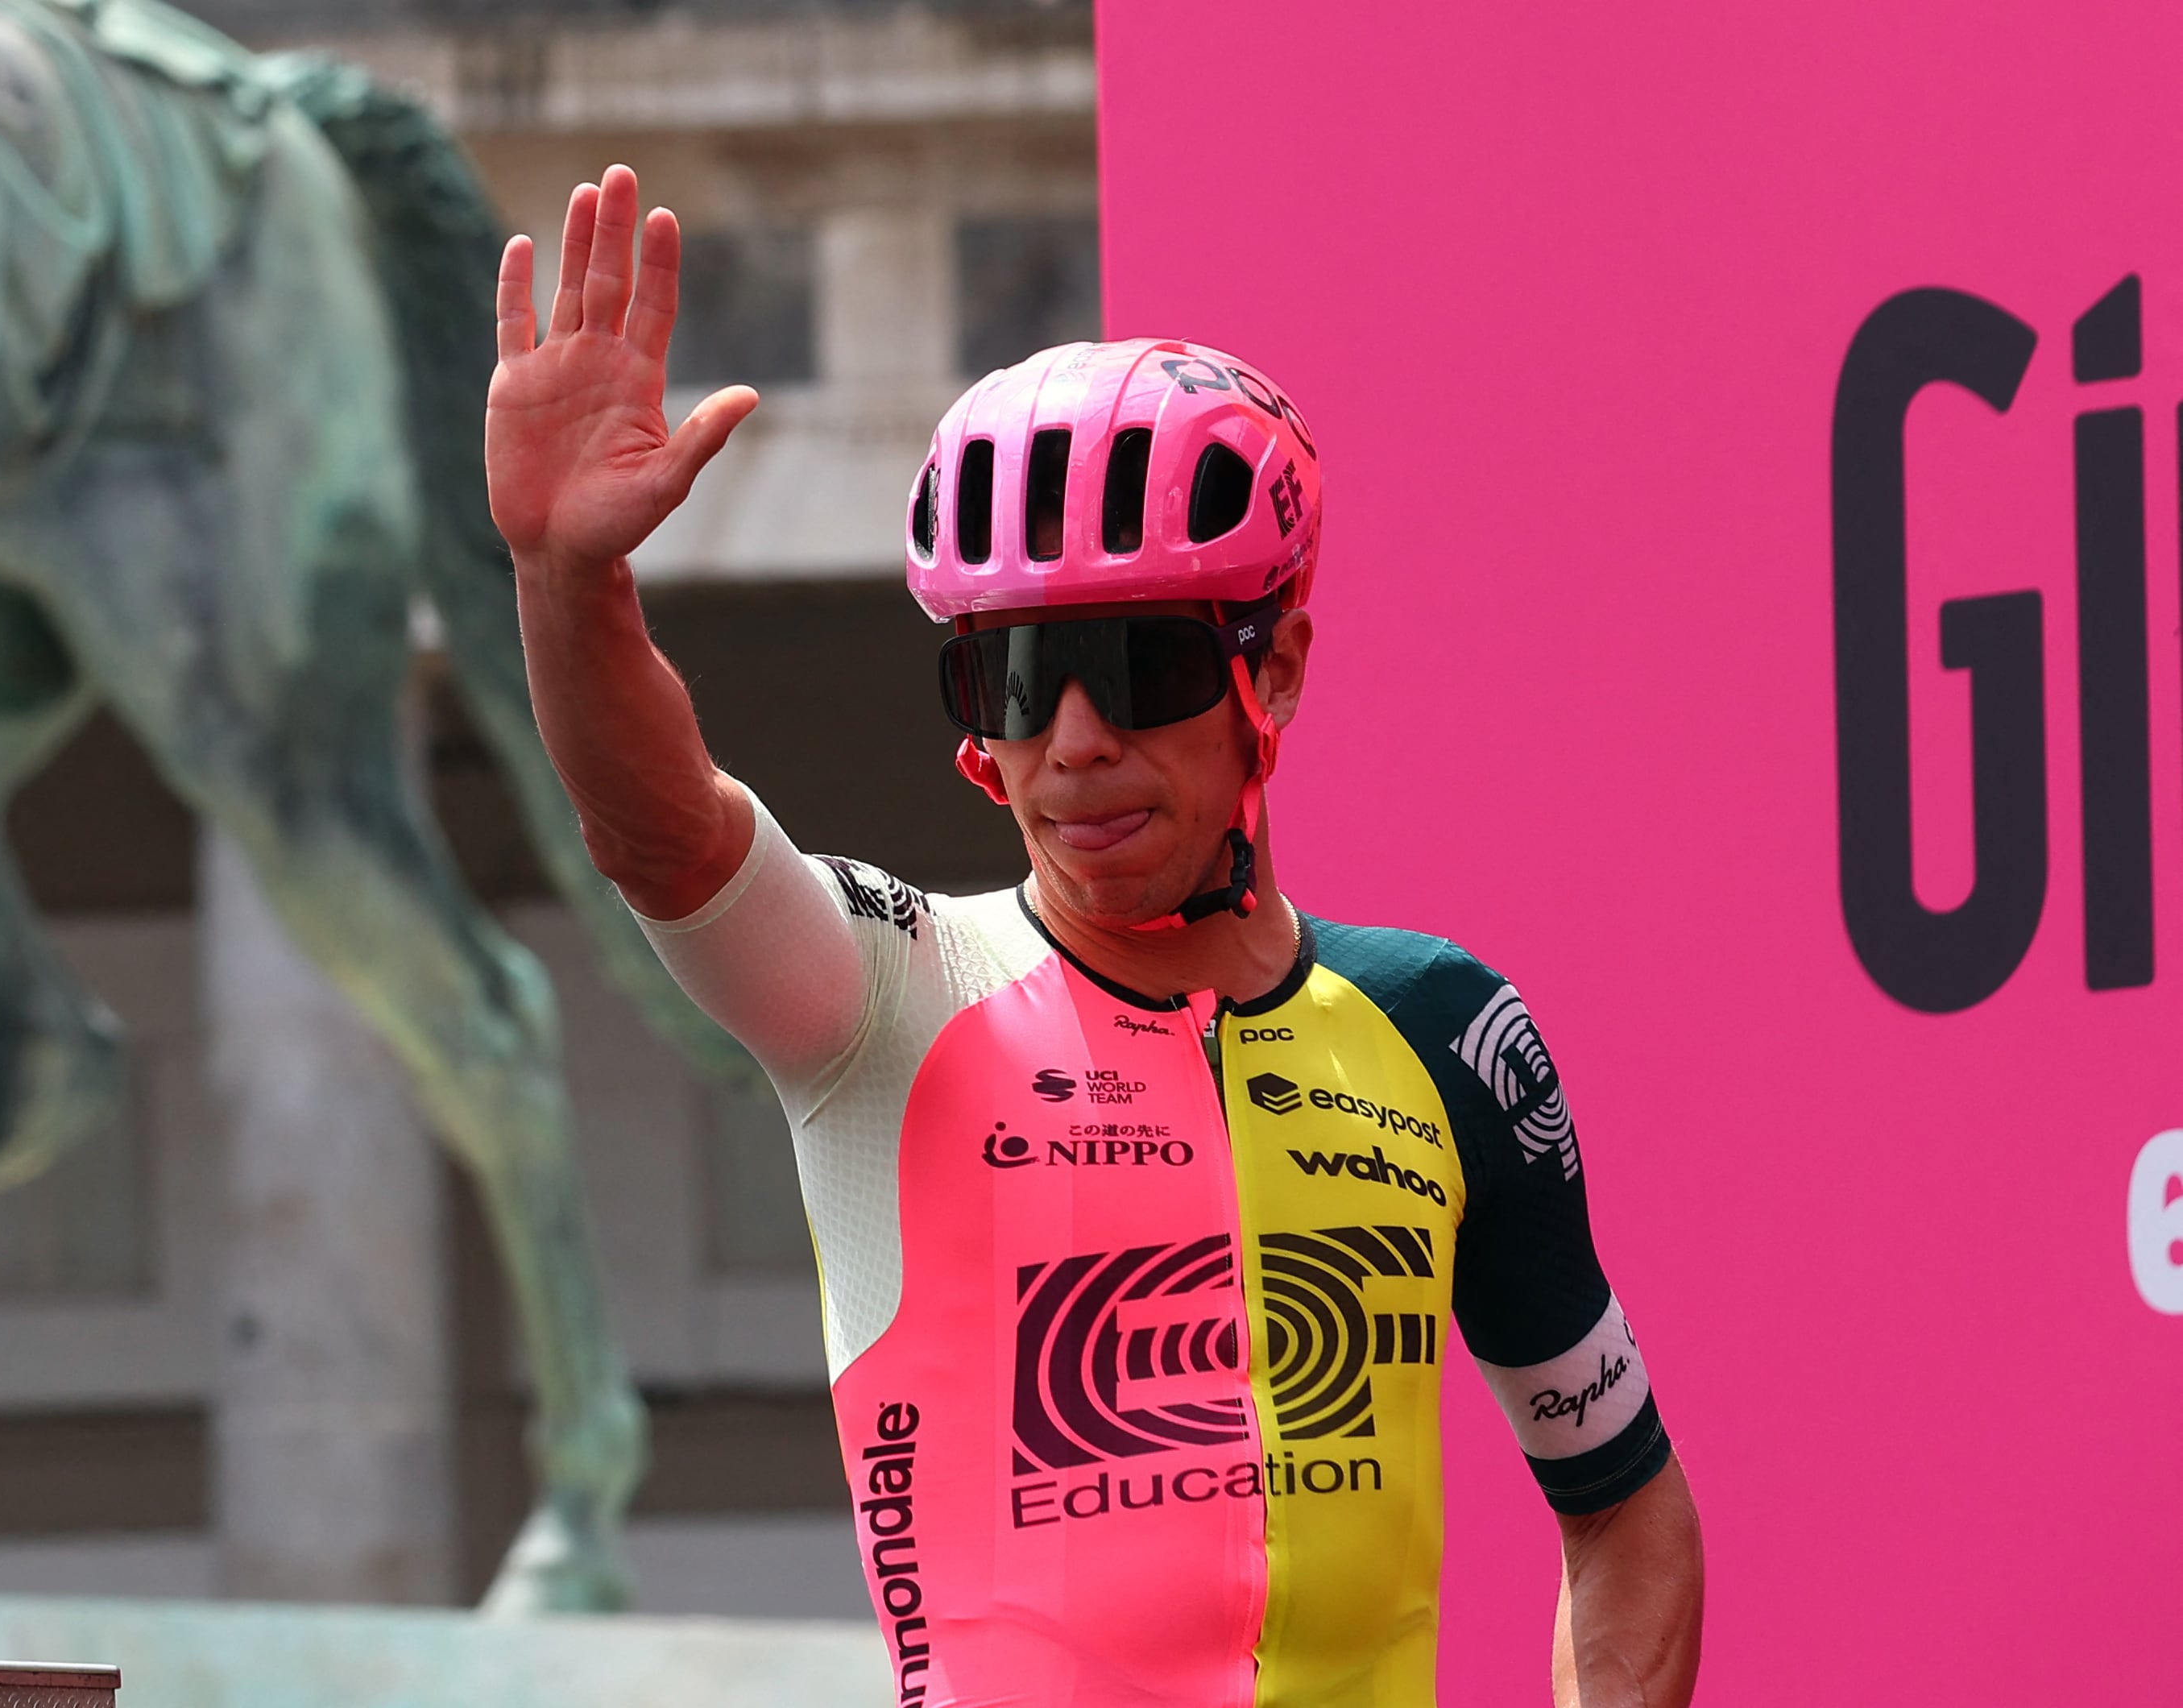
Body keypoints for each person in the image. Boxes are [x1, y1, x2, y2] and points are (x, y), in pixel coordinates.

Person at [490, 164, 1705, 1708]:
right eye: (1015, 677)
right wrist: (566, 579)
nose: (1072, 742)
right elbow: (662, 828)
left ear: (1278, 669)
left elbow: (1623, 1504)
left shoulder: (1445, 1030)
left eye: (1136, 666)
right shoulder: (884, 992)